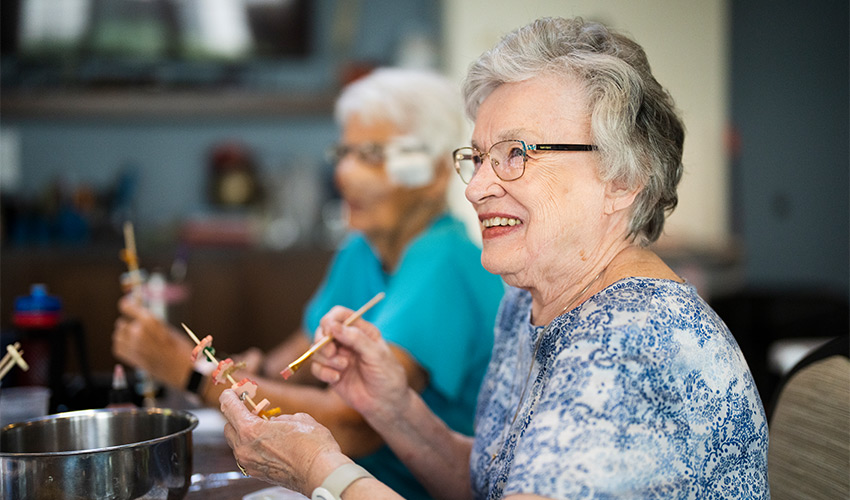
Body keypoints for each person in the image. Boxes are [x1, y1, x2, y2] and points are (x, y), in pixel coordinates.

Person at [218, 17, 770, 500]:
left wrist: (322, 470)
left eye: (516, 153)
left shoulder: (632, 347)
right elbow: (490, 484)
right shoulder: (528, 303)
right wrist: (394, 409)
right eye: (478, 157)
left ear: (622, 180)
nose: (477, 187)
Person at [112, 68, 506, 500]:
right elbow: (292, 367)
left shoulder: (444, 260)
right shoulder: (361, 251)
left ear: (431, 174)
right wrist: (242, 371)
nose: (345, 175)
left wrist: (193, 376)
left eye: (372, 155)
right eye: (344, 153)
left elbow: (354, 425)